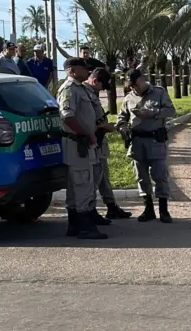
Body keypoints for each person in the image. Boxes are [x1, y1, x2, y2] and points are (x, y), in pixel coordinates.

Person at [56, 57, 109, 240]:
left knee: (78, 185)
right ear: (72, 70)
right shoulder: (69, 89)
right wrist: (88, 134)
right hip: (77, 144)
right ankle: (85, 227)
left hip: (83, 144)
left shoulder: (81, 89)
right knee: (83, 184)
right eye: (83, 69)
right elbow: (67, 117)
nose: (87, 72)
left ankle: (75, 225)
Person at [117, 69, 176, 223]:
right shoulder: (129, 98)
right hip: (137, 142)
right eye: (130, 86)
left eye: (135, 85)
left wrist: (153, 113)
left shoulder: (159, 92)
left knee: (160, 176)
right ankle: (148, 209)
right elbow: (121, 118)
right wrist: (122, 128)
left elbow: (171, 111)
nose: (133, 88)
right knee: (141, 177)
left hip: (155, 140)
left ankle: (164, 210)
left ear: (142, 80)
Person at [84, 62, 132, 221]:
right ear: (95, 81)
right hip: (90, 142)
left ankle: (111, 207)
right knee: (93, 178)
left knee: (103, 175)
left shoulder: (91, 92)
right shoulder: (83, 92)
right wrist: (105, 126)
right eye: (102, 86)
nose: (103, 90)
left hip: (99, 140)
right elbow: (85, 121)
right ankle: (90, 211)